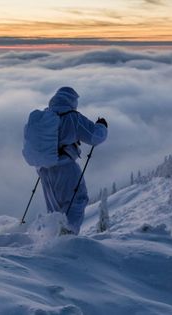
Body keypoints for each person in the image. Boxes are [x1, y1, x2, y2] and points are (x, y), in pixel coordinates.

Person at [37, 87, 108, 235]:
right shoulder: (72, 117)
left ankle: (51, 237)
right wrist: (102, 125)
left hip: (43, 169)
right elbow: (95, 137)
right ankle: (68, 237)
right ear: (71, 100)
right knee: (78, 199)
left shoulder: (45, 116)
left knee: (54, 208)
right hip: (65, 166)